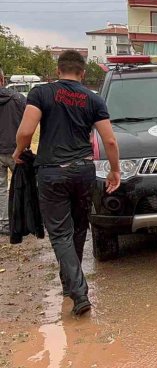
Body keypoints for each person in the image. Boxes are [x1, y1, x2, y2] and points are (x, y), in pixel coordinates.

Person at [13, 50, 121, 315]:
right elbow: (109, 140)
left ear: (58, 70)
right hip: (83, 170)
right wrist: (114, 171)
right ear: (82, 73)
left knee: (60, 233)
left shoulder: (41, 93)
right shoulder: (93, 99)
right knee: (78, 228)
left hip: (52, 173)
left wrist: (18, 152)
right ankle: (69, 284)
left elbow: (26, 131)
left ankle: (78, 292)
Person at [0, 68, 26, 235]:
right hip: (16, 150)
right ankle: (23, 221)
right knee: (21, 187)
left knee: (0, 188)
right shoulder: (18, 99)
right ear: (2, 79)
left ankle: (3, 223)